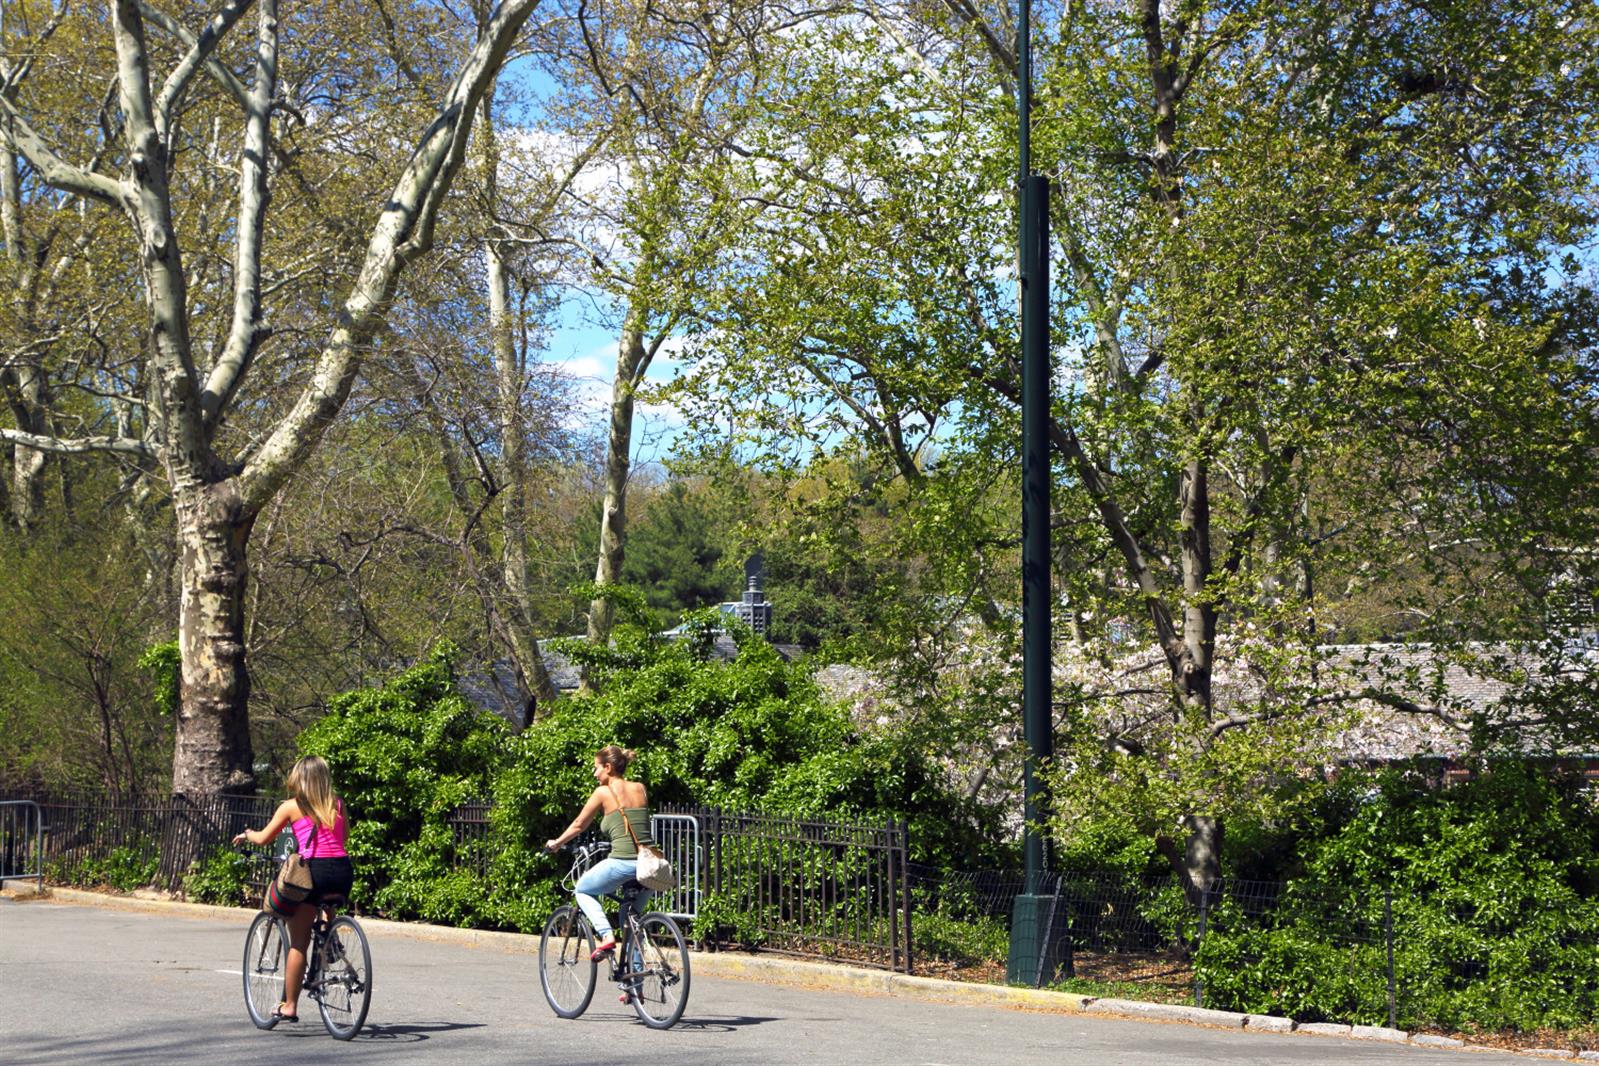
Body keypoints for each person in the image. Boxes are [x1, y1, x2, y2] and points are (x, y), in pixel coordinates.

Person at [233, 755, 355, 1024]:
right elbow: (343, 838)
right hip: (342, 870)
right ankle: (329, 938)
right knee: (327, 902)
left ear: (300, 778)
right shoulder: (337, 803)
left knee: (299, 942)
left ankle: (289, 1005)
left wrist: (247, 834)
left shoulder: (292, 806)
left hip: (313, 872)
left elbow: (265, 838)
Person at [544, 745, 655, 965]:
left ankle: (606, 935)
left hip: (622, 863)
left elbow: (578, 825)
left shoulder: (603, 792)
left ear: (608, 767)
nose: (595, 774)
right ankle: (635, 988)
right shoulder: (640, 788)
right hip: (649, 865)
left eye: (597, 769)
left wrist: (556, 844)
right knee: (630, 920)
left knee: (583, 889)